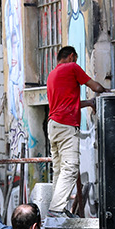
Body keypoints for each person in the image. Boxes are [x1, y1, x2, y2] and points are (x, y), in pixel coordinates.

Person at [46, 46, 108, 218]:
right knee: (71, 168)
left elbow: (67, 103)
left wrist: (88, 103)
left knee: (58, 169)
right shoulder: (72, 67)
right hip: (66, 125)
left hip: (53, 124)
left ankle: (57, 209)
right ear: (72, 56)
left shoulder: (52, 75)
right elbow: (95, 86)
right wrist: (106, 91)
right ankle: (56, 209)